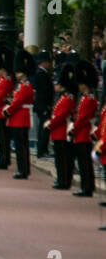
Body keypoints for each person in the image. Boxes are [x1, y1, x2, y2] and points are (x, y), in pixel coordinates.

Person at [4, 51, 35, 180]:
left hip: (20, 118)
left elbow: (18, 102)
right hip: (19, 117)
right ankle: (23, 169)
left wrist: (8, 110)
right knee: (21, 146)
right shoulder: (22, 85)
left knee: (21, 146)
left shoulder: (25, 86)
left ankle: (23, 170)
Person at [70, 61, 98, 198]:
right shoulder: (85, 98)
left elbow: (82, 118)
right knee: (84, 163)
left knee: (85, 163)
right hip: (82, 132)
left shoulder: (89, 99)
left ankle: (86, 188)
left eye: (80, 84)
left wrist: (73, 129)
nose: (79, 87)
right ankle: (87, 186)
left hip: (83, 133)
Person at [46, 64, 75, 190]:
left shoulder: (68, 98)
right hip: (58, 130)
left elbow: (61, 115)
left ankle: (63, 181)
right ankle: (61, 179)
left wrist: (50, 124)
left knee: (63, 159)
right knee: (60, 158)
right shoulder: (63, 97)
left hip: (62, 131)